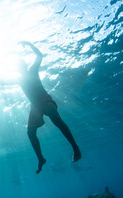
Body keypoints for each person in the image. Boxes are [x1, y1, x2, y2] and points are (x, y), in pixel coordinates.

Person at [17, 41, 81, 174]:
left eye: (21, 65)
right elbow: (1, 81)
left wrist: (28, 43)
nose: (19, 68)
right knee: (30, 132)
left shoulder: (32, 70)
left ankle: (75, 147)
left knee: (55, 118)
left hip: (45, 100)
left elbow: (39, 56)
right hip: (35, 106)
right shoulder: (19, 79)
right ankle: (41, 159)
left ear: (24, 66)